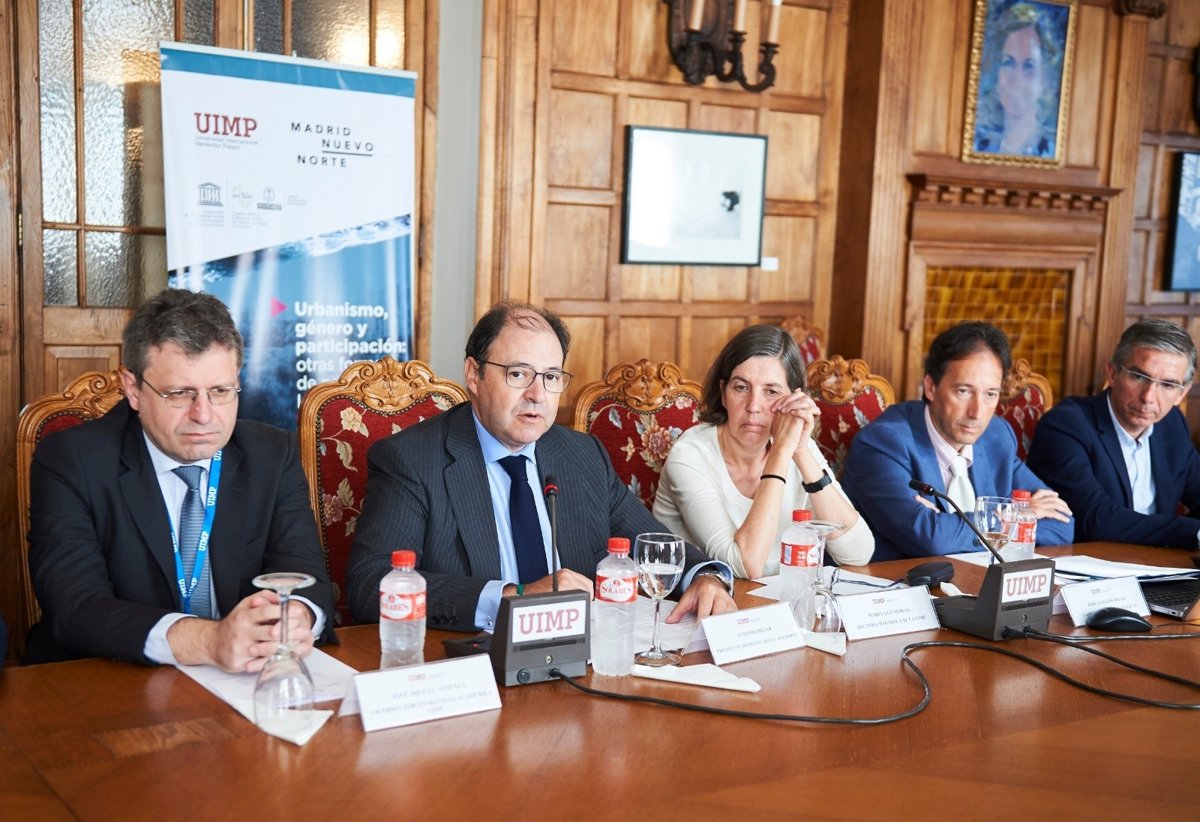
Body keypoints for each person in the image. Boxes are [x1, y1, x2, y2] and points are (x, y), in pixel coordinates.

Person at [346, 301, 737, 631]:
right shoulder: (412, 460)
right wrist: (513, 597)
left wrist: (705, 577)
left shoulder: (582, 455)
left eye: (551, 377)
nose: (537, 394)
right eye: (518, 374)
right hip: (475, 666)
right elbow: (370, 585)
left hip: (582, 659)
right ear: (474, 374)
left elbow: (655, 546)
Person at [26, 289, 335, 669]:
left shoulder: (271, 454)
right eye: (179, 393)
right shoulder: (72, 461)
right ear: (133, 389)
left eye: (220, 391)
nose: (203, 415)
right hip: (115, 679)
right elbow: (76, 607)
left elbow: (304, 572)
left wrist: (296, 617)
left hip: (249, 675)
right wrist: (208, 641)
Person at [841, 321, 1073, 561]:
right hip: (898, 580)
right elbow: (931, 538)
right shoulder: (883, 443)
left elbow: (1062, 523)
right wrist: (1016, 518)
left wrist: (949, 525)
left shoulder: (996, 436)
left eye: (990, 394)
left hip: (978, 579)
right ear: (930, 387)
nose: (977, 412)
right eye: (963, 391)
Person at [653, 325, 873, 578]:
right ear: (723, 394)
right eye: (741, 387)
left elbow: (858, 554)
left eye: (771, 391)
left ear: (793, 399)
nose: (754, 406)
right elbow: (744, 566)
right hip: (702, 596)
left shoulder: (797, 447)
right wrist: (780, 453)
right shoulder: (690, 454)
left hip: (780, 597)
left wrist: (801, 452)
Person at [1027, 319, 1200, 547]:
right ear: (1112, 374)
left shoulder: (1172, 424)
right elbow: (1096, 520)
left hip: (1158, 562)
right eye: (1139, 377)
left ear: (1181, 394)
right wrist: (1194, 533)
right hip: (1087, 562)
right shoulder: (1065, 426)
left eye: (1167, 385)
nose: (1148, 397)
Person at [973, 3, 1062, 158]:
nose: (1017, 79)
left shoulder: (1052, 151)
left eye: (1029, 66)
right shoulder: (977, 144)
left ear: (1045, 79)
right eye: (1008, 63)